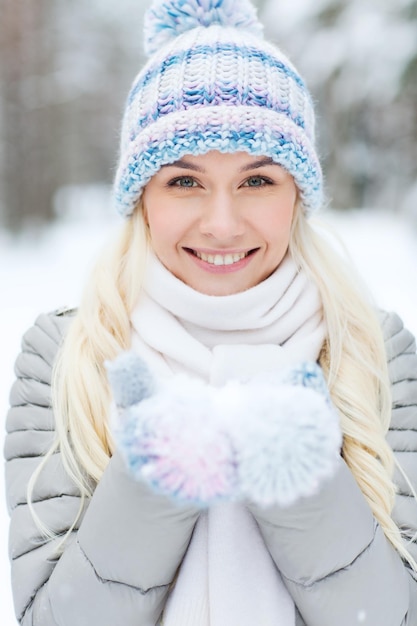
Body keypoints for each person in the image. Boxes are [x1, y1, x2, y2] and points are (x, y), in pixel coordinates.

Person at [4, 0, 417, 624]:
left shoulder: (374, 352)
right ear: (141, 196)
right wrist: (153, 480)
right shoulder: (66, 354)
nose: (222, 225)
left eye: (257, 181)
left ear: (298, 195)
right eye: (183, 181)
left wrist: (303, 486)